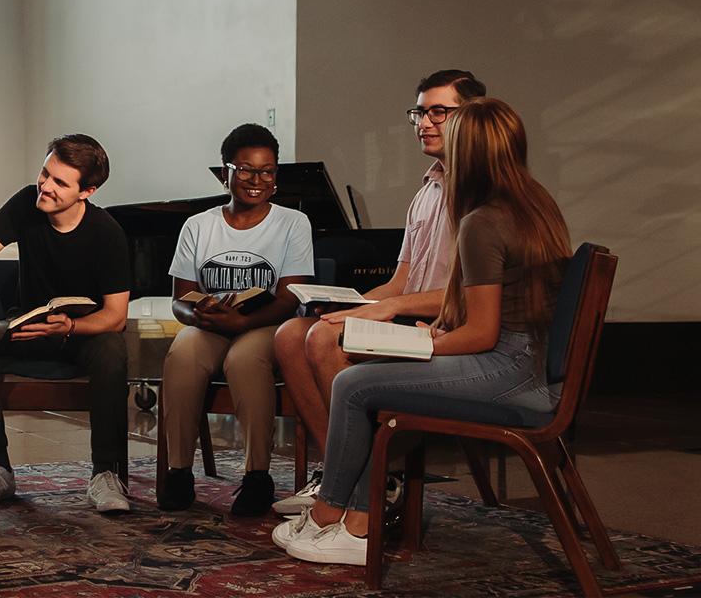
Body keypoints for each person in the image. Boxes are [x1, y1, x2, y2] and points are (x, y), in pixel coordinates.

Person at [276, 97, 571, 565]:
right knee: (360, 374)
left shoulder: (483, 221)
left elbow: (481, 335)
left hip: (511, 371)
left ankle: (349, 519)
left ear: (470, 152)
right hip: (531, 366)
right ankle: (342, 513)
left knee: (354, 383)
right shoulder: (535, 202)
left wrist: (424, 343)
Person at [271, 69, 486, 514]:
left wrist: (386, 308)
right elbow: (400, 281)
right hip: (412, 314)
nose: (424, 123)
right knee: (293, 333)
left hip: (447, 328)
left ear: (471, 116)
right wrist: (350, 303)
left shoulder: (479, 192)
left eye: (438, 112)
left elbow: (465, 295)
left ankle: (364, 484)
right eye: (420, 113)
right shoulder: (427, 189)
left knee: (323, 338)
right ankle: (341, 473)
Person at [0, 134, 132, 512]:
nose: (46, 186)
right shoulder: (25, 202)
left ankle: (107, 474)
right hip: (28, 327)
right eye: (45, 173)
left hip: (79, 336)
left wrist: (69, 327)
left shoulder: (107, 232)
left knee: (113, 348)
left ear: (87, 191)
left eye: (60, 182)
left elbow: (116, 316)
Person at [157, 123, 314, 515]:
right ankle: (178, 472)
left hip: (264, 325)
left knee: (245, 360)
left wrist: (242, 323)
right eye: (245, 169)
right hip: (210, 324)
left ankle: (257, 476)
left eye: (267, 171)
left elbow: (291, 295)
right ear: (225, 172)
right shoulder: (198, 225)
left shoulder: (293, 223)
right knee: (182, 354)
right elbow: (179, 299)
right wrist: (199, 314)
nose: (256, 180)